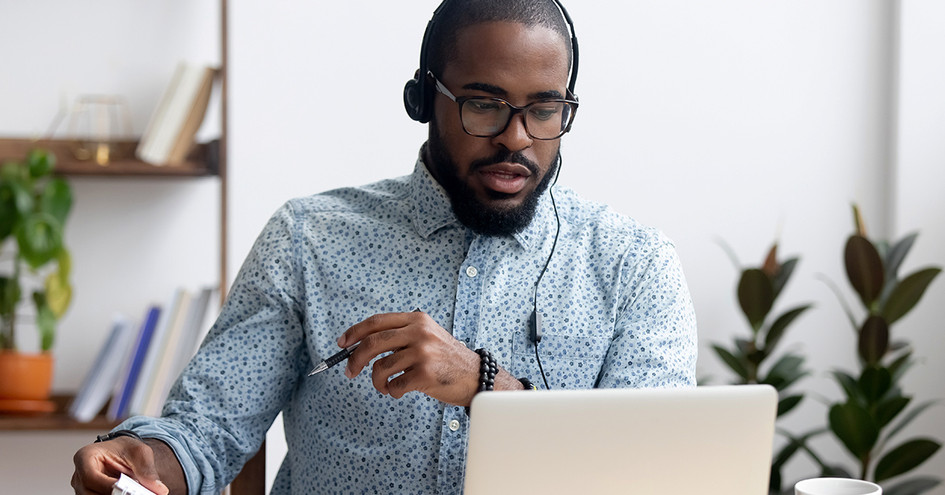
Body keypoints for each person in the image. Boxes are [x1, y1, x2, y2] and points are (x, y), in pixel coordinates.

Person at [72, 1, 697, 493]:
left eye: (544, 110)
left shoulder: (634, 265)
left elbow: (655, 472)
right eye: (484, 105)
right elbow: (206, 432)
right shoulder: (307, 239)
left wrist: (485, 387)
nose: (517, 138)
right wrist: (143, 460)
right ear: (424, 100)